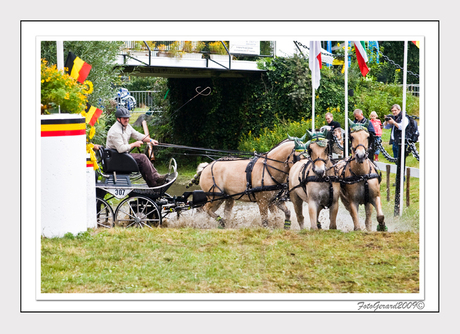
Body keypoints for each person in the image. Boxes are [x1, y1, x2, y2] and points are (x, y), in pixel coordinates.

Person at [105, 107, 167, 187]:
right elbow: (121, 149)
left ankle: (154, 181)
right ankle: (155, 181)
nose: (127, 120)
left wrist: (151, 140)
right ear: (118, 119)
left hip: (122, 156)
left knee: (142, 159)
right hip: (116, 159)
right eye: (124, 118)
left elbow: (138, 135)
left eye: (128, 118)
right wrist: (134, 144)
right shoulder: (115, 131)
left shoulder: (127, 126)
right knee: (142, 158)